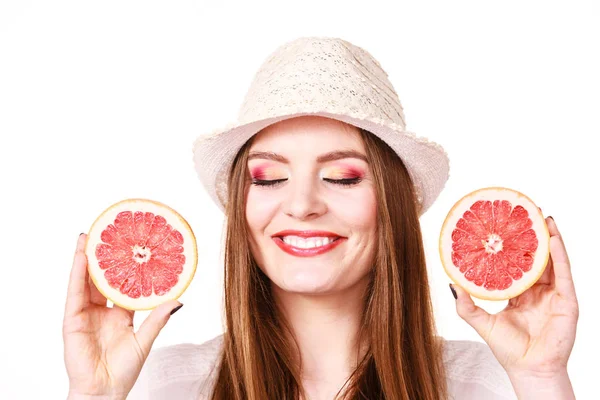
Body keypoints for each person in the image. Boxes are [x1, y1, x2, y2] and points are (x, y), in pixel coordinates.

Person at [63, 36, 579, 400]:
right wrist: (93, 395)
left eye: (343, 177)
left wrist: (540, 380)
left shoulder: (495, 386)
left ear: (393, 204)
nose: (302, 204)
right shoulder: (162, 388)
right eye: (267, 178)